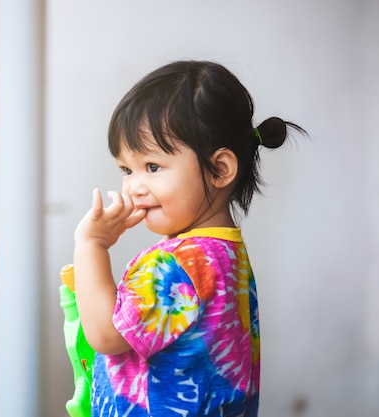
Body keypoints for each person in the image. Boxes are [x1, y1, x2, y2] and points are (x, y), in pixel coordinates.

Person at [73, 60, 305, 417]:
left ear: (219, 169)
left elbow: (105, 335)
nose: (134, 186)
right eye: (126, 169)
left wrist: (91, 246)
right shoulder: (226, 255)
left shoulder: (174, 264)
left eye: (152, 167)